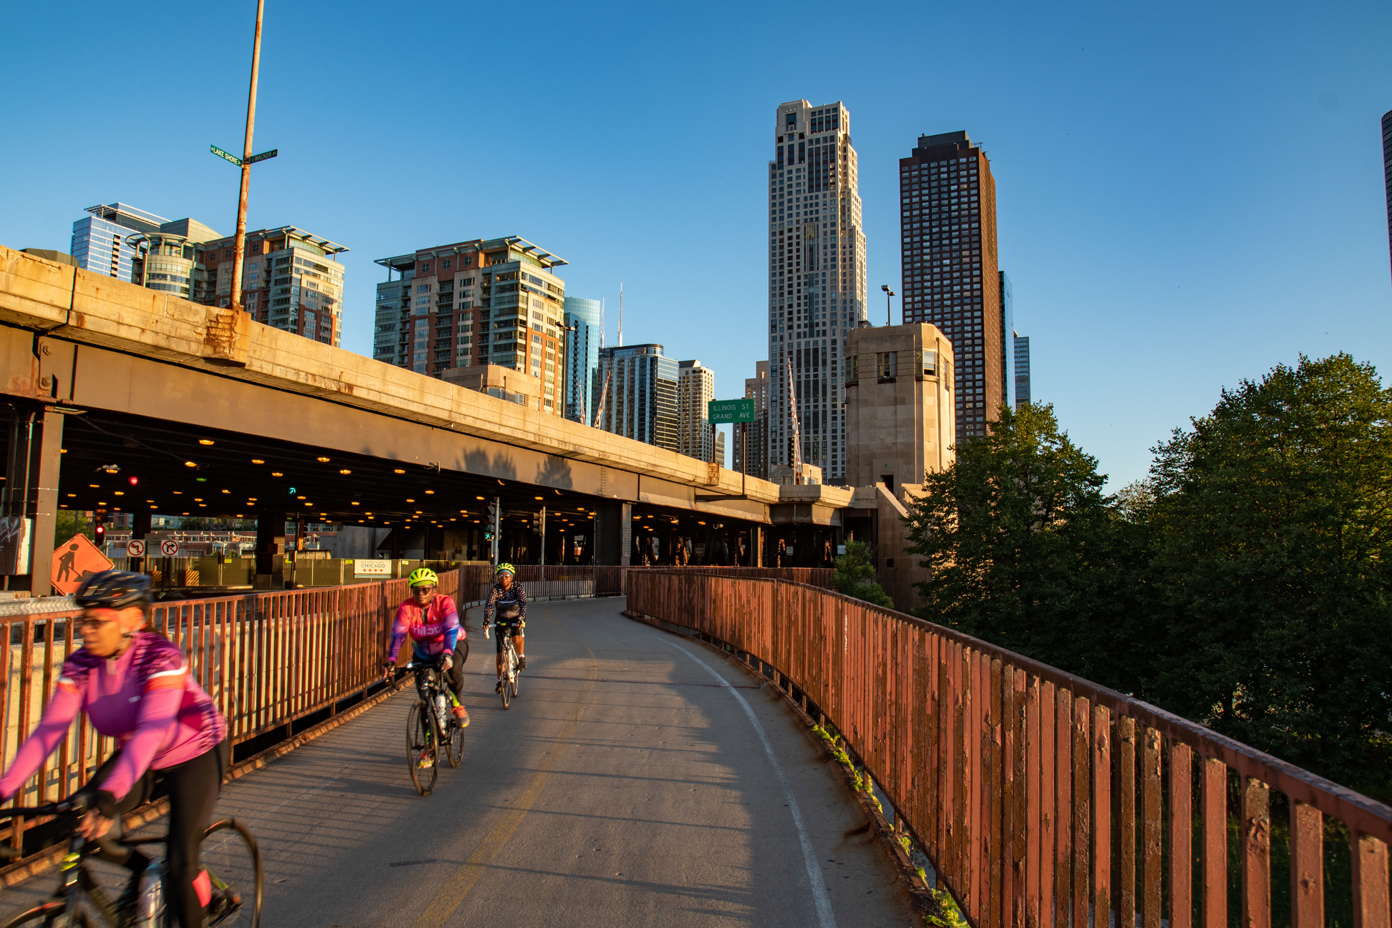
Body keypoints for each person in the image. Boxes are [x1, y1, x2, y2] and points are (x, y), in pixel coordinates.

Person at [0, 570, 229, 928]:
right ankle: (147, 873)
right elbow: (49, 731)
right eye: (83, 621)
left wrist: (109, 794)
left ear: (132, 620)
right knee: (83, 825)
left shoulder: (160, 658)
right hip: (140, 757)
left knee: (183, 860)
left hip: (195, 754)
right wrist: (3, 791)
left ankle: (188, 890)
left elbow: (151, 731)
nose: (84, 630)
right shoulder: (82, 664)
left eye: (96, 622)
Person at [383, 568, 469, 727]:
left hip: (452, 645)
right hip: (423, 654)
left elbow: (451, 629)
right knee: (425, 697)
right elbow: (398, 634)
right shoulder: (406, 608)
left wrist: (448, 653)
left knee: (454, 671)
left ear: (433, 589)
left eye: (425, 589)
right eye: (416, 590)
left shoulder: (444, 602)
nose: (421, 593)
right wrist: (391, 660)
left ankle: (457, 704)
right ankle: (430, 745)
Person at [482, 563, 527, 692]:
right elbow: (489, 605)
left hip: (516, 617)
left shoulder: (517, 587)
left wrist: (521, 618)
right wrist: (486, 620)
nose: (504, 579)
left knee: (517, 633)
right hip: (501, 619)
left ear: (511, 577)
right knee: (500, 651)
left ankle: (521, 657)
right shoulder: (495, 590)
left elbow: (523, 603)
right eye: (501, 576)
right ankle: (499, 681)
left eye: (506, 576)